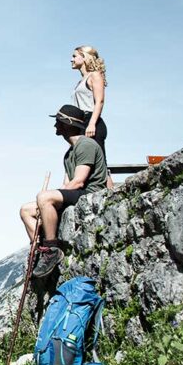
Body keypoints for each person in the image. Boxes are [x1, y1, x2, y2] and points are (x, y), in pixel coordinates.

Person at [20, 104, 108, 277]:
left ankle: (52, 248)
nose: (55, 126)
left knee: (44, 198)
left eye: (58, 122)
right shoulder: (69, 153)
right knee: (26, 210)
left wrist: (46, 199)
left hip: (90, 193)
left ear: (67, 123)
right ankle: (41, 250)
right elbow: (67, 183)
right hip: (77, 192)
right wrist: (44, 203)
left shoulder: (86, 145)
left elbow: (78, 181)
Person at [70, 45, 114, 190]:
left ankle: (112, 195)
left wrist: (92, 124)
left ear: (84, 57)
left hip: (91, 121)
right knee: (84, 160)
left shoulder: (95, 75)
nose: (71, 59)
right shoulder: (80, 82)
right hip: (81, 122)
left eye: (75, 56)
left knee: (100, 162)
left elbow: (99, 101)